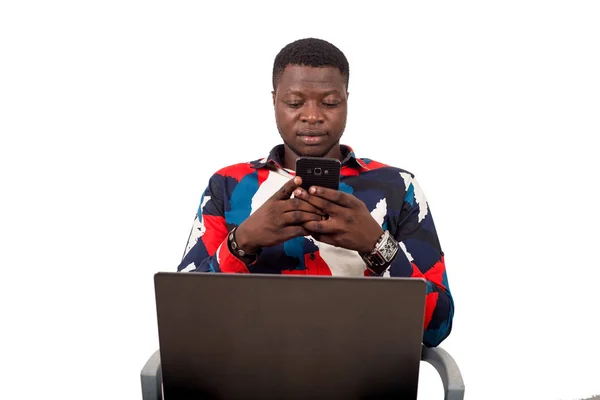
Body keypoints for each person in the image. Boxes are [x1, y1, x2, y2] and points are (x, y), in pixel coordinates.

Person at [177, 38, 454, 347]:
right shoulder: (227, 184)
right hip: (251, 372)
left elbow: (436, 327)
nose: (312, 116)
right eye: (295, 103)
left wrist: (376, 245)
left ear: (347, 100)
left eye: (330, 102)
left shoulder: (397, 187)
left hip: (361, 376)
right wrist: (242, 241)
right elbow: (184, 317)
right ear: (274, 101)